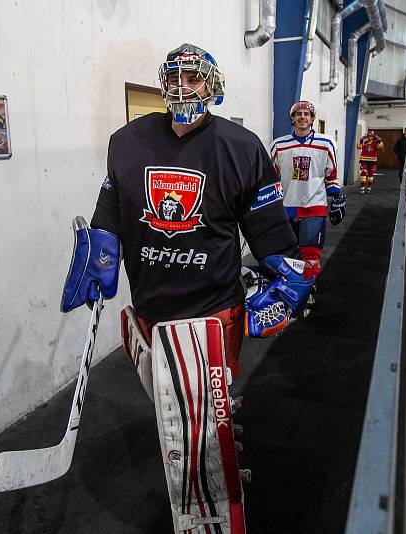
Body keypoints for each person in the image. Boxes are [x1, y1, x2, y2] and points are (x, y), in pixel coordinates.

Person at [61, 43, 313, 534]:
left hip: (212, 311)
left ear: (213, 85)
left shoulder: (241, 148)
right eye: (173, 78)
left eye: (193, 78)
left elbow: (266, 230)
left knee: (193, 436)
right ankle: (219, 428)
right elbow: (112, 204)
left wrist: (289, 280)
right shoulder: (127, 142)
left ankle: (210, 513)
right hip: (152, 306)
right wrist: (100, 246)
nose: (181, 87)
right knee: (175, 408)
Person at [269, 100, 346, 282]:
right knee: (287, 256)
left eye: (307, 114)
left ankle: (307, 293)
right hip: (286, 207)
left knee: (311, 257)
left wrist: (337, 196)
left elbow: (331, 174)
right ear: (292, 119)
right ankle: (289, 291)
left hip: (314, 206)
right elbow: (272, 178)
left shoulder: (326, 143)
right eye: (298, 114)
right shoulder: (278, 145)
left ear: (312, 119)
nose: (302, 117)